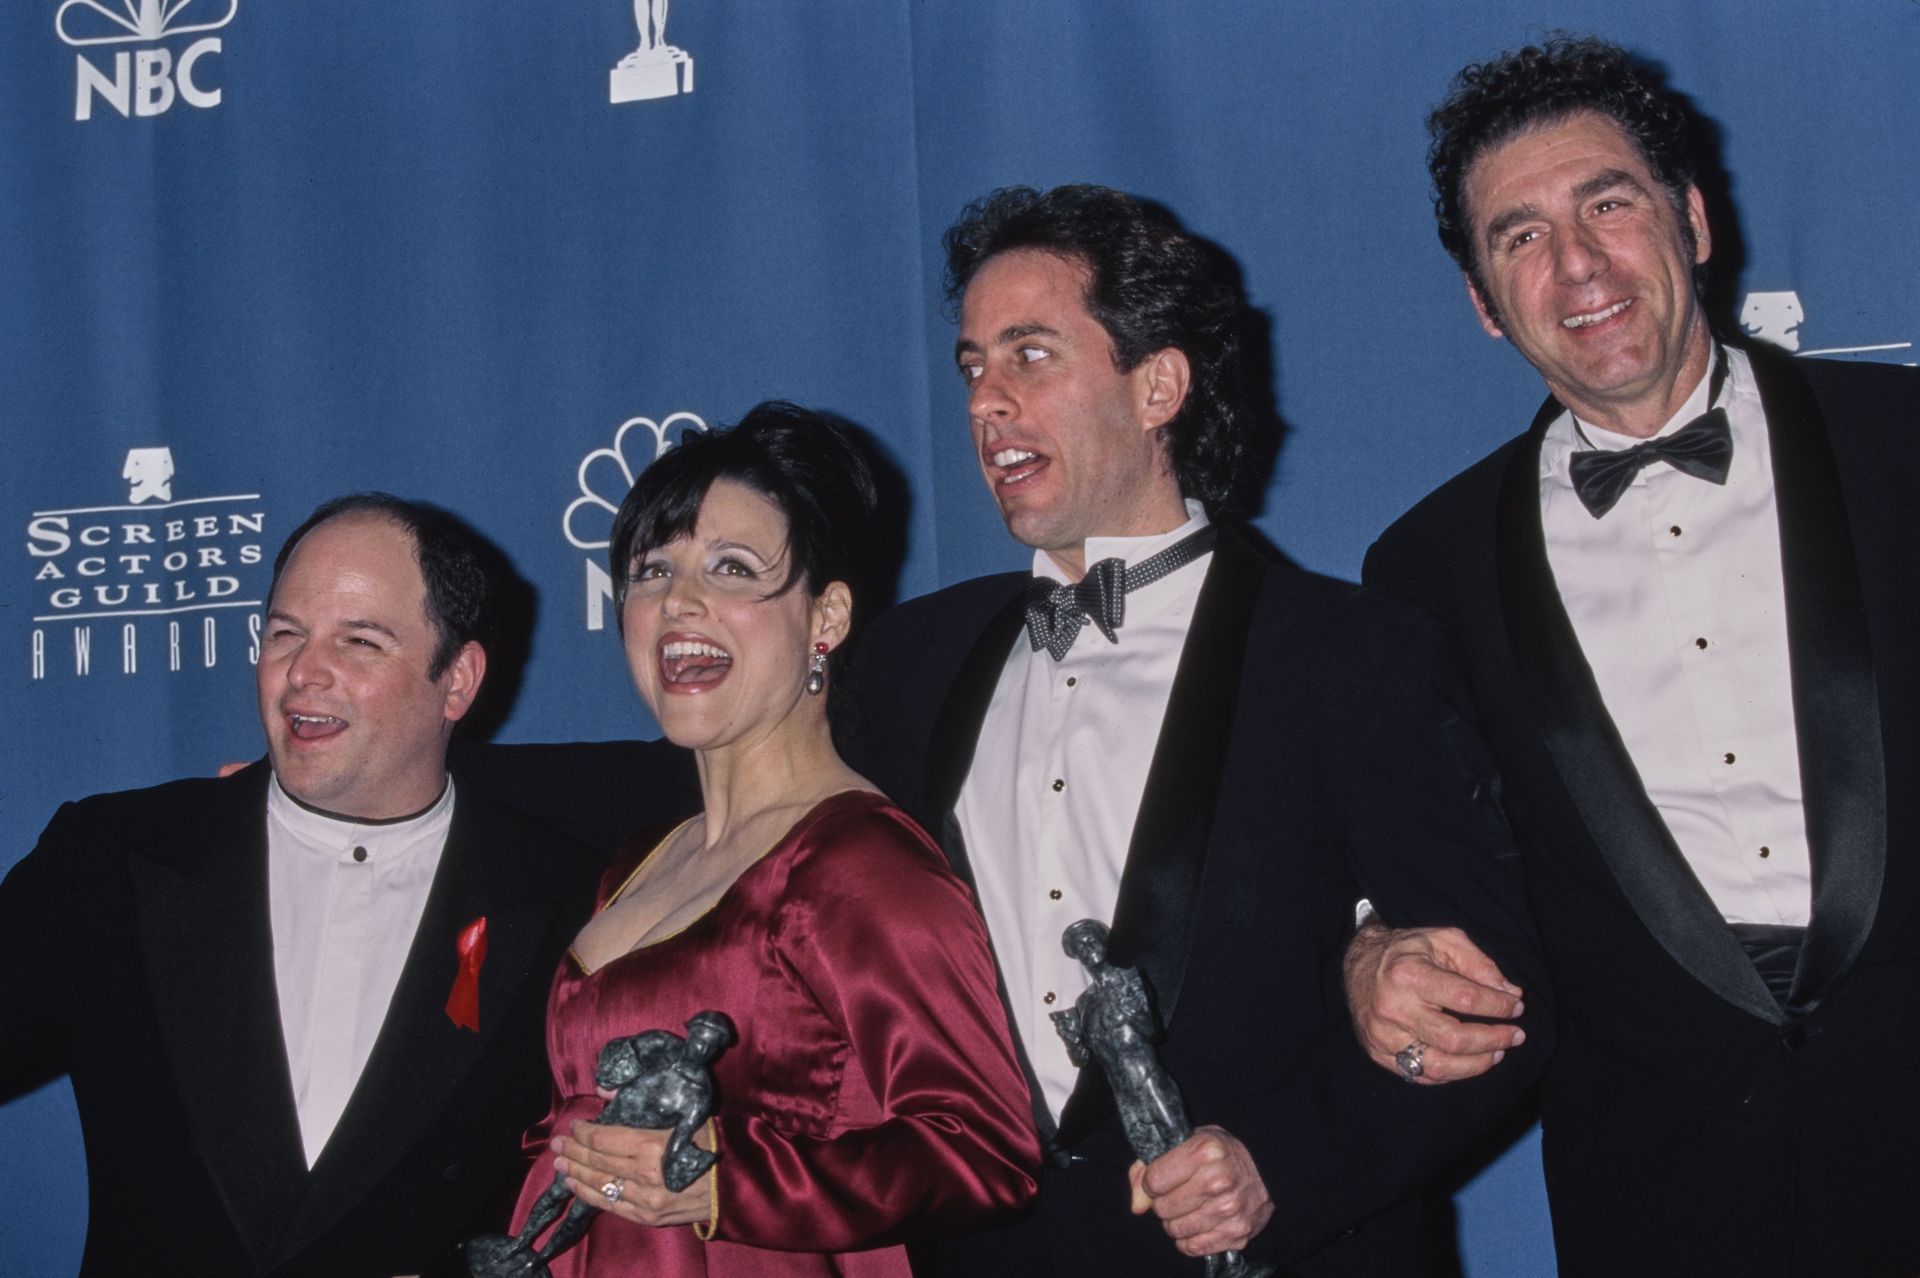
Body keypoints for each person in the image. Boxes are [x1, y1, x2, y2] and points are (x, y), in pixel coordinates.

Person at [839, 185, 1549, 1276]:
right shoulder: (906, 666)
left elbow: (1489, 1005)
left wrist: (1284, 1167)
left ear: (1158, 384)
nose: (986, 402)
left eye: (1031, 355)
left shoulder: (1352, 657)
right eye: (973, 365)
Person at [1348, 36, 1920, 1276]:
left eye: (1608, 202)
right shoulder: (1422, 574)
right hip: (1657, 1198)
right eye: (1521, 236)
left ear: (1694, 219)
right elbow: (1412, 857)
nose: (1580, 265)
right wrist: (1367, 947)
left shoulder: (1907, 445)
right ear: (1485, 306)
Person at [0, 494, 689, 1276]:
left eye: (359, 642)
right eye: (284, 633)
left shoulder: (570, 902)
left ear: (456, 681)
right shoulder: (111, 858)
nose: (304, 671)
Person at [501, 402, 1040, 1275]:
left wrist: (727, 1182)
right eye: (650, 572)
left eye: (732, 569)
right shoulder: (638, 863)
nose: (679, 602)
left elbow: (986, 1150)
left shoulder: (862, 867)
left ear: (824, 618)